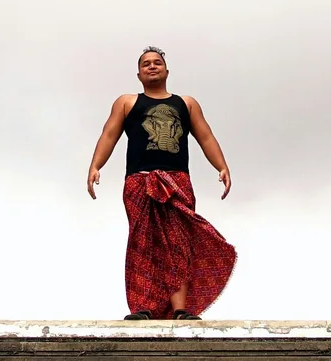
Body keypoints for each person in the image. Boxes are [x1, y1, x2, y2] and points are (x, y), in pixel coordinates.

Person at [86, 46, 237, 320]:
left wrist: (222, 166)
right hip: (139, 181)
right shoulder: (127, 102)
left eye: (157, 62)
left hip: (177, 181)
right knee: (143, 242)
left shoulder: (186, 103)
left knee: (178, 244)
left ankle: (181, 310)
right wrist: (96, 166)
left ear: (167, 71)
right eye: (146, 64)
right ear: (139, 73)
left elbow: (206, 137)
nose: (152, 66)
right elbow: (109, 135)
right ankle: (142, 308)